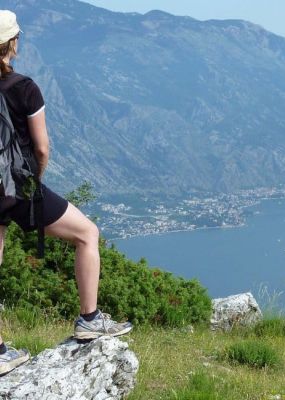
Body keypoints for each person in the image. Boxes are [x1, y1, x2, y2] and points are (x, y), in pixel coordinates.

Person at [0, 10, 132, 374]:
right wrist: (35, 186)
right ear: (13, 43)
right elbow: (41, 148)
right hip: (19, 188)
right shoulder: (24, 88)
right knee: (87, 234)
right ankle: (89, 319)